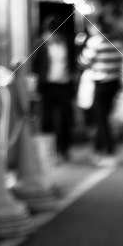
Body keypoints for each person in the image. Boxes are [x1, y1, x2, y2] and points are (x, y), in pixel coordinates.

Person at [80, 10, 123, 162]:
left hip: (100, 83)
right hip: (115, 83)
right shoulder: (117, 42)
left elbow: (83, 61)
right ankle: (100, 147)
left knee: (101, 117)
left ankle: (107, 147)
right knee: (105, 115)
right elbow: (121, 62)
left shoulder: (95, 42)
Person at [35, 18, 73, 157]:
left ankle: (64, 149)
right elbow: (35, 66)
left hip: (64, 84)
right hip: (47, 86)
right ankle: (48, 152)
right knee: (47, 119)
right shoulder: (41, 44)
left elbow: (72, 62)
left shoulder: (66, 43)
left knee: (65, 118)